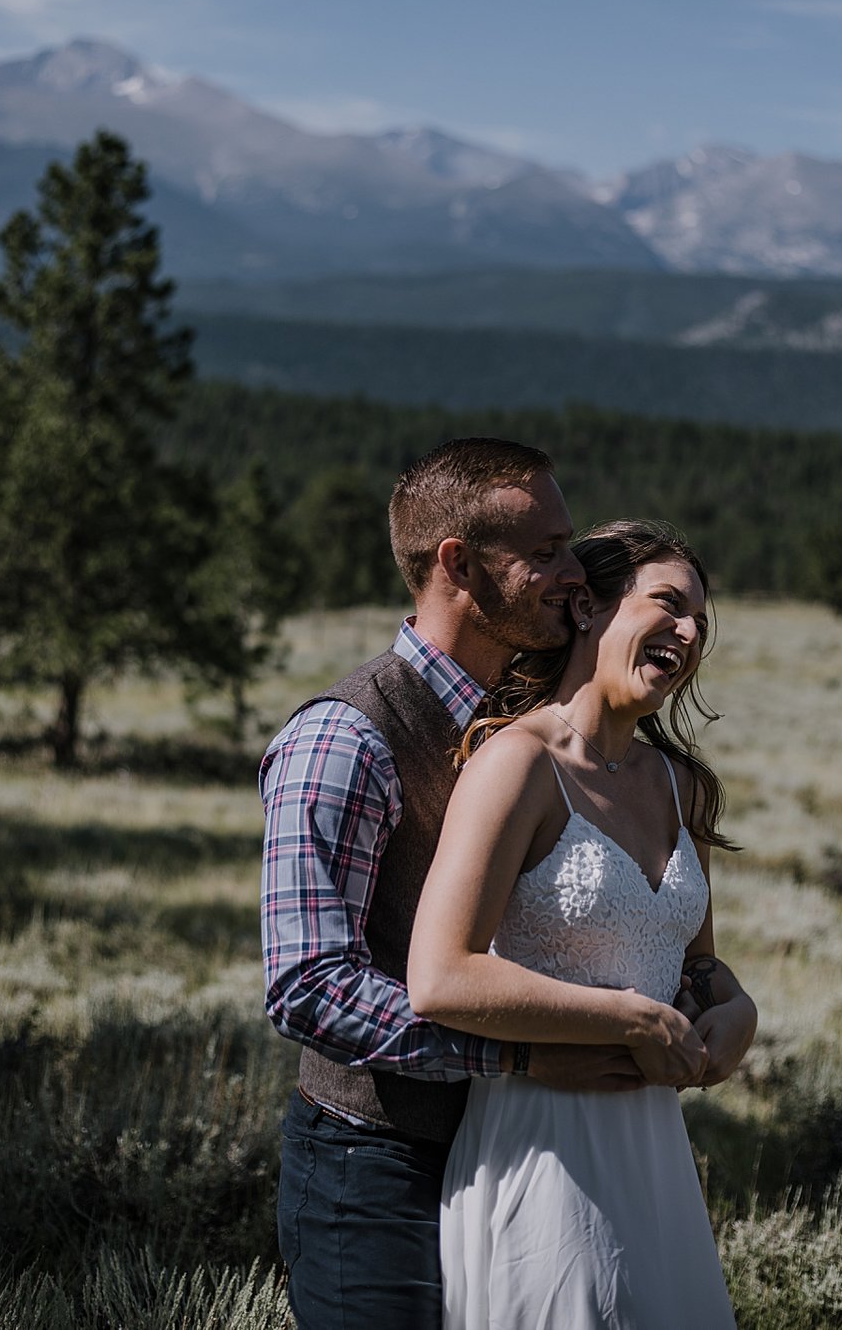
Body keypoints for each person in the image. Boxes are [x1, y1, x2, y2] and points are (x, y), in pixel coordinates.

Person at [261, 438, 656, 1330]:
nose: (572, 573)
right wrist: (514, 1056)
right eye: (546, 551)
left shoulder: (528, 728)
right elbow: (306, 985)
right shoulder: (344, 738)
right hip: (374, 1169)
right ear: (458, 564)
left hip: (523, 1156)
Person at [408, 519, 756, 1329]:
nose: (691, 631)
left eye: (701, 621)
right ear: (589, 607)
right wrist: (625, 1015)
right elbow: (441, 974)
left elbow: (696, 961)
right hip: (542, 1148)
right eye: (668, 603)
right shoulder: (516, 765)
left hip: (655, 1158)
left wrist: (735, 1007)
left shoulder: (683, 789)